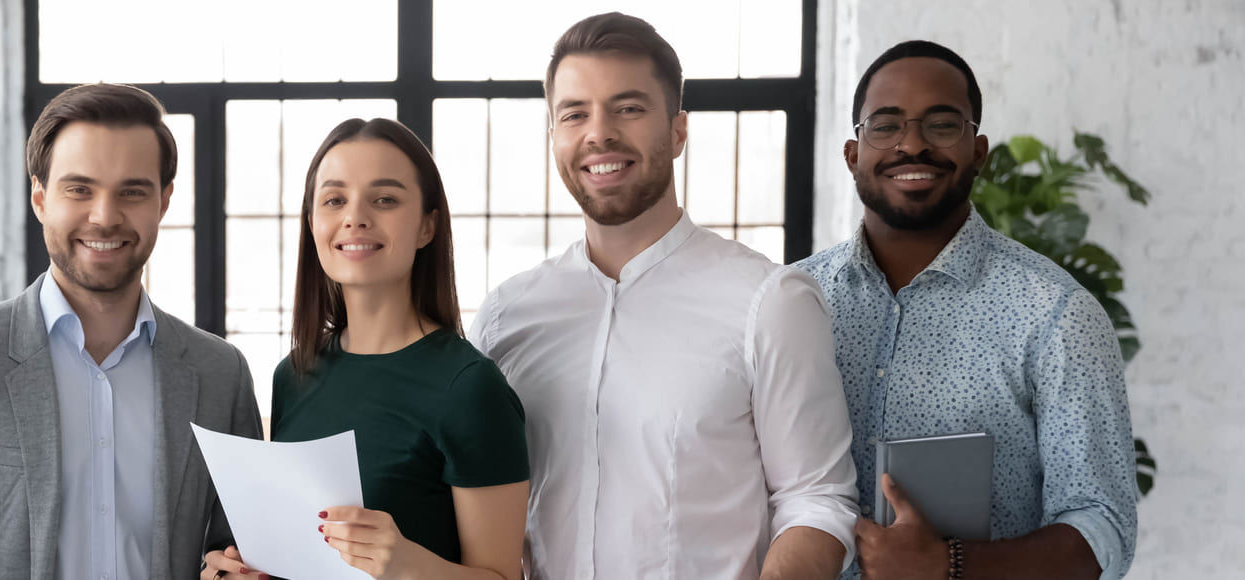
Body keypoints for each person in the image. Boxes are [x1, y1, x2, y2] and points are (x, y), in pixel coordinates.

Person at [471, 13, 859, 579]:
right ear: (553, 136)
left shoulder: (770, 301)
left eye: (628, 109)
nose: (598, 133)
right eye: (574, 113)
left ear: (678, 131)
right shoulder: (507, 316)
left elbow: (818, 499)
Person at [0, 83, 263, 579]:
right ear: (39, 197)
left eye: (132, 191)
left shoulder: (220, 373)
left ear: (164, 201)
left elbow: (238, 545)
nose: (104, 216)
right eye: (79, 189)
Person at [794, 40, 1138, 580]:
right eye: (884, 125)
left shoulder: (1055, 314)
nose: (912, 144)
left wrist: (949, 565)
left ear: (978, 151)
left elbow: (1103, 528)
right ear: (852, 154)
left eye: (941, 124)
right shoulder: (795, 299)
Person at [203, 118, 530, 580]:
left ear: (427, 226)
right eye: (335, 200)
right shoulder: (293, 375)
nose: (355, 217)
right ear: (313, 223)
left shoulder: (470, 389)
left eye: (385, 199)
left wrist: (408, 565)